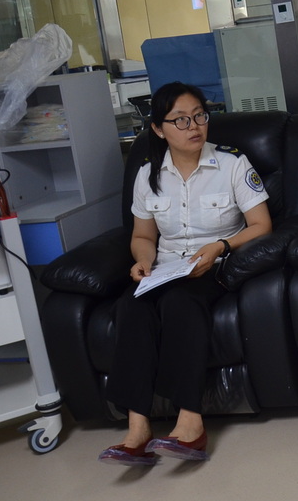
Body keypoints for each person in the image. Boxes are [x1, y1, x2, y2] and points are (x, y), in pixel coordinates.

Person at [99, 82, 272, 467]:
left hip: (215, 267)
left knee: (180, 303)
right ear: (158, 129)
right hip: (165, 269)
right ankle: (137, 429)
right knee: (131, 307)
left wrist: (220, 247)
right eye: (180, 120)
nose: (193, 126)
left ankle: (190, 423)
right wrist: (142, 262)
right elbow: (143, 236)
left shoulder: (231, 163)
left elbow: (262, 225)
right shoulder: (148, 174)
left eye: (199, 116)